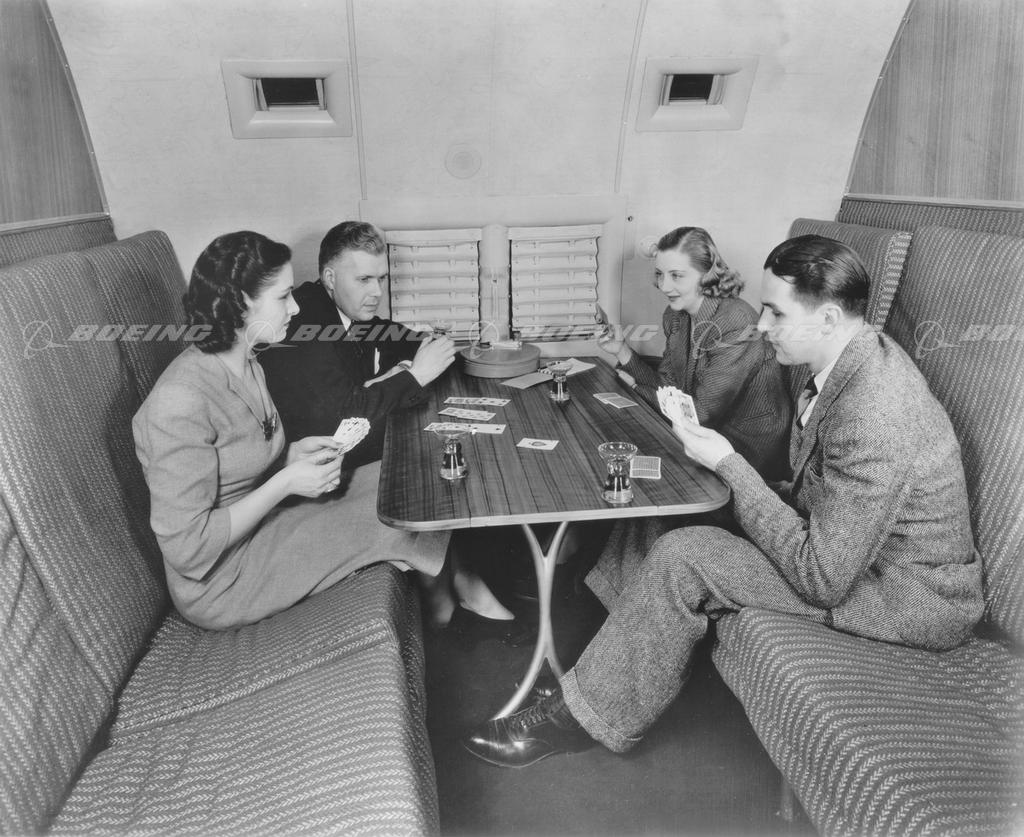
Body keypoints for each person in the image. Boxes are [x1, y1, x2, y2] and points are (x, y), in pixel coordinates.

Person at [463, 234, 985, 767]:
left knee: (685, 556)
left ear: (828, 318)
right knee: (669, 513)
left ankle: (576, 719)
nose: (762, 326)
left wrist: (729, 463)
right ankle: (603, 669)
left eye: (776, 313)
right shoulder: (847, 361)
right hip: (848, 557)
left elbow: (823, 578)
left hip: (900, 593)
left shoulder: (877, 410)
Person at [133, 230, 450, 630]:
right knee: (396, 515)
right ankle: (449, 605)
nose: (296, 307)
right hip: (223, 580)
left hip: (264, 526)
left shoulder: (247, 364)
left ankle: (451, 595)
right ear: (241, 303)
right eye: (283, 296)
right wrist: (284, 482)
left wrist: (291, 455)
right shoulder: (179, 401)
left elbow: (238, 462)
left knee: (415, 477)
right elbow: (189, 549)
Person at [257, 221, 521, 635]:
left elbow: (393, 337)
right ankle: (453, 588)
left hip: (339, 453)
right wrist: (414, 375)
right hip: (316, 476)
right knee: (430, 457)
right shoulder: (306, 321)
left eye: (380, 279)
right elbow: (343, 419)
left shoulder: (346, 310)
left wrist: (431, 349)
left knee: (440, 444)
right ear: (330, 277)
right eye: (364, 279)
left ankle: (457, 582)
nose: (376, 291)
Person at [599, 226, 790, 480]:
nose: (664, 286)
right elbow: (667, 388)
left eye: (676, 276)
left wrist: (636, 389)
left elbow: (699, 414)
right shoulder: (675, 315)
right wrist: (622, 351)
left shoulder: (736, 322)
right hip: (702, 435)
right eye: (660, 274)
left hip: (746, 454)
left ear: (706, 275)